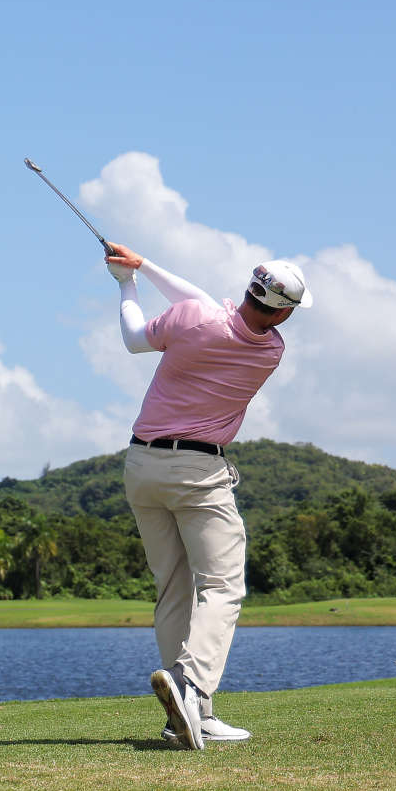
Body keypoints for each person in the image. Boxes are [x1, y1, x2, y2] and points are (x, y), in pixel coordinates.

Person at [104, 242, 311, 751]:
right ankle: (191, 685)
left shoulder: (194, 318)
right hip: (197, 470)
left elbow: (137, 338)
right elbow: (205, 308)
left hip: (142, 465)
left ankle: (193, 715)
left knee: (172, 586)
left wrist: (128, 281)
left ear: (248, 288)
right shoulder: (270, 350)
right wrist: (143, 267)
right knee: (222, 586)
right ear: (282, 311)